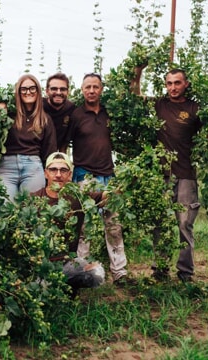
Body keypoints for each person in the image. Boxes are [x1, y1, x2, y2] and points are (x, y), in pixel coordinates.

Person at [131, 66, 202, 283]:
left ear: (186, 84)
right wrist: (138, 70)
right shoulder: (159, 104)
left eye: (177, 83)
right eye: (169, 83)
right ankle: (160, 270)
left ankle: (185, 274)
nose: (173, 87)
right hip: (160, 176)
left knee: (184, 225)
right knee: (160, 223)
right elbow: (135, 95)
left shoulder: (195, 109)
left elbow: (206, 140)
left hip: (186, 175)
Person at [66, 73, 128, 286]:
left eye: (95, 87)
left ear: (101, 89)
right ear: (81, 90)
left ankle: (119, 273)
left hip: (108, 177)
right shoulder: (76, 115)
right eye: (87, 87)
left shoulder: (109, 114)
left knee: (113, 225)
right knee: (85, 227)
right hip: (84, 176)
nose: (91, 91)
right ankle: (83, 273)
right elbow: (65, 144)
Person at [31, 152, 106, 292]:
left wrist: (131, 178)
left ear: (70, 175)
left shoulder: (77, 197)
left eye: (63, 170)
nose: (58, 174)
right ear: (46, 173)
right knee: (39, 287)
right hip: (41, 264)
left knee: (97, 274)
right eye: (53, 169)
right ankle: (53, 287)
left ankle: (66, 288)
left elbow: (106, 197)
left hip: (67, 262)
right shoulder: (33, 200)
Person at [0, 74, 57, 201]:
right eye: (24, 89)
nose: (28, 92)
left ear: (38, 91)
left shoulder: (44, 119)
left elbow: (49, 150)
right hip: (8, 166)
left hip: (33, 165)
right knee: (5, 207)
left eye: (32, 88)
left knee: (32, 208)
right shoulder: (9, 114)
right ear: (18, 92)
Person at [43, 73, 76, 153]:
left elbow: (65, 142)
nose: (58, 92)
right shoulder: (39, 106)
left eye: (62, 89)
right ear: (47, 91)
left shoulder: (71, 109)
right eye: (54, 89)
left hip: (54, 154)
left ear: (68, 92)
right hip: (36, 154)